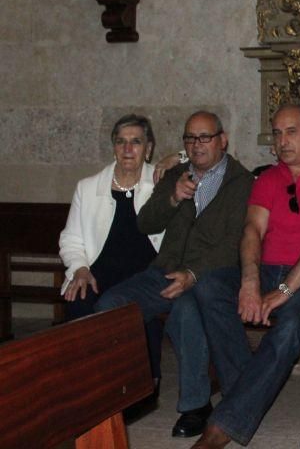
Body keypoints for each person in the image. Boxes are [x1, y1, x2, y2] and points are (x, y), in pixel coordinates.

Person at [191, 104, 300, 449]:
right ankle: (247, 392)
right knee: (209, 286)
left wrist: (284, 290)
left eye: (292, 131)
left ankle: (221, 427)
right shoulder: (268, 178)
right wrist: (250, 282)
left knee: (291, 325)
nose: (283, 141)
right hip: (268, 271)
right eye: (277, 133)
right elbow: (252, 229)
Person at [96, 111, 254, 438]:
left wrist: (193, 275)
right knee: (111, 305)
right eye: (190, 138)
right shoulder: (176, 175)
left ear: (222, 141)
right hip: (165, 272)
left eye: (204, 137)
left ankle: (196, 406)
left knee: (186, 310)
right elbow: (145, 223)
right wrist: (172, 197)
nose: (196, 145)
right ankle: (122, 395)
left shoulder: (242, 182)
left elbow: (233, 243)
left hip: (212, 274)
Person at [59, 114, 164, 391]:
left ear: (149, 148)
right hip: (97, 273)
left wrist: (174, 160)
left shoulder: (162, 183)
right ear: (113, 146)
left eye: (136, 142)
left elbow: (197, 158)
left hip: (144, 276)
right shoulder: (88, 187)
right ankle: (86, 383)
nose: (128, 149)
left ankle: (139, 385)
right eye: (121, 142)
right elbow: (71, 239)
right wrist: (79, 268)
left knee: (141, 306)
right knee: (79, 297)